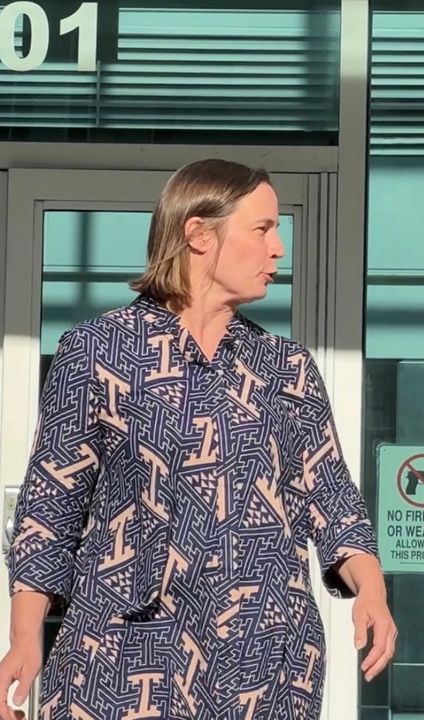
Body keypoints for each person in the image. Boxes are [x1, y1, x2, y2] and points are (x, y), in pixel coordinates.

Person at [0, 159, 396, 720]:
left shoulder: (285, 368)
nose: (278, 248)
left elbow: (331, 498)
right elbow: (50, 505)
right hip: (123, 658)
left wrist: (372, 591)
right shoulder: (97, 351)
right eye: (262, 229)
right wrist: (24, 639)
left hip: (262, 665)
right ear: (199, 234)